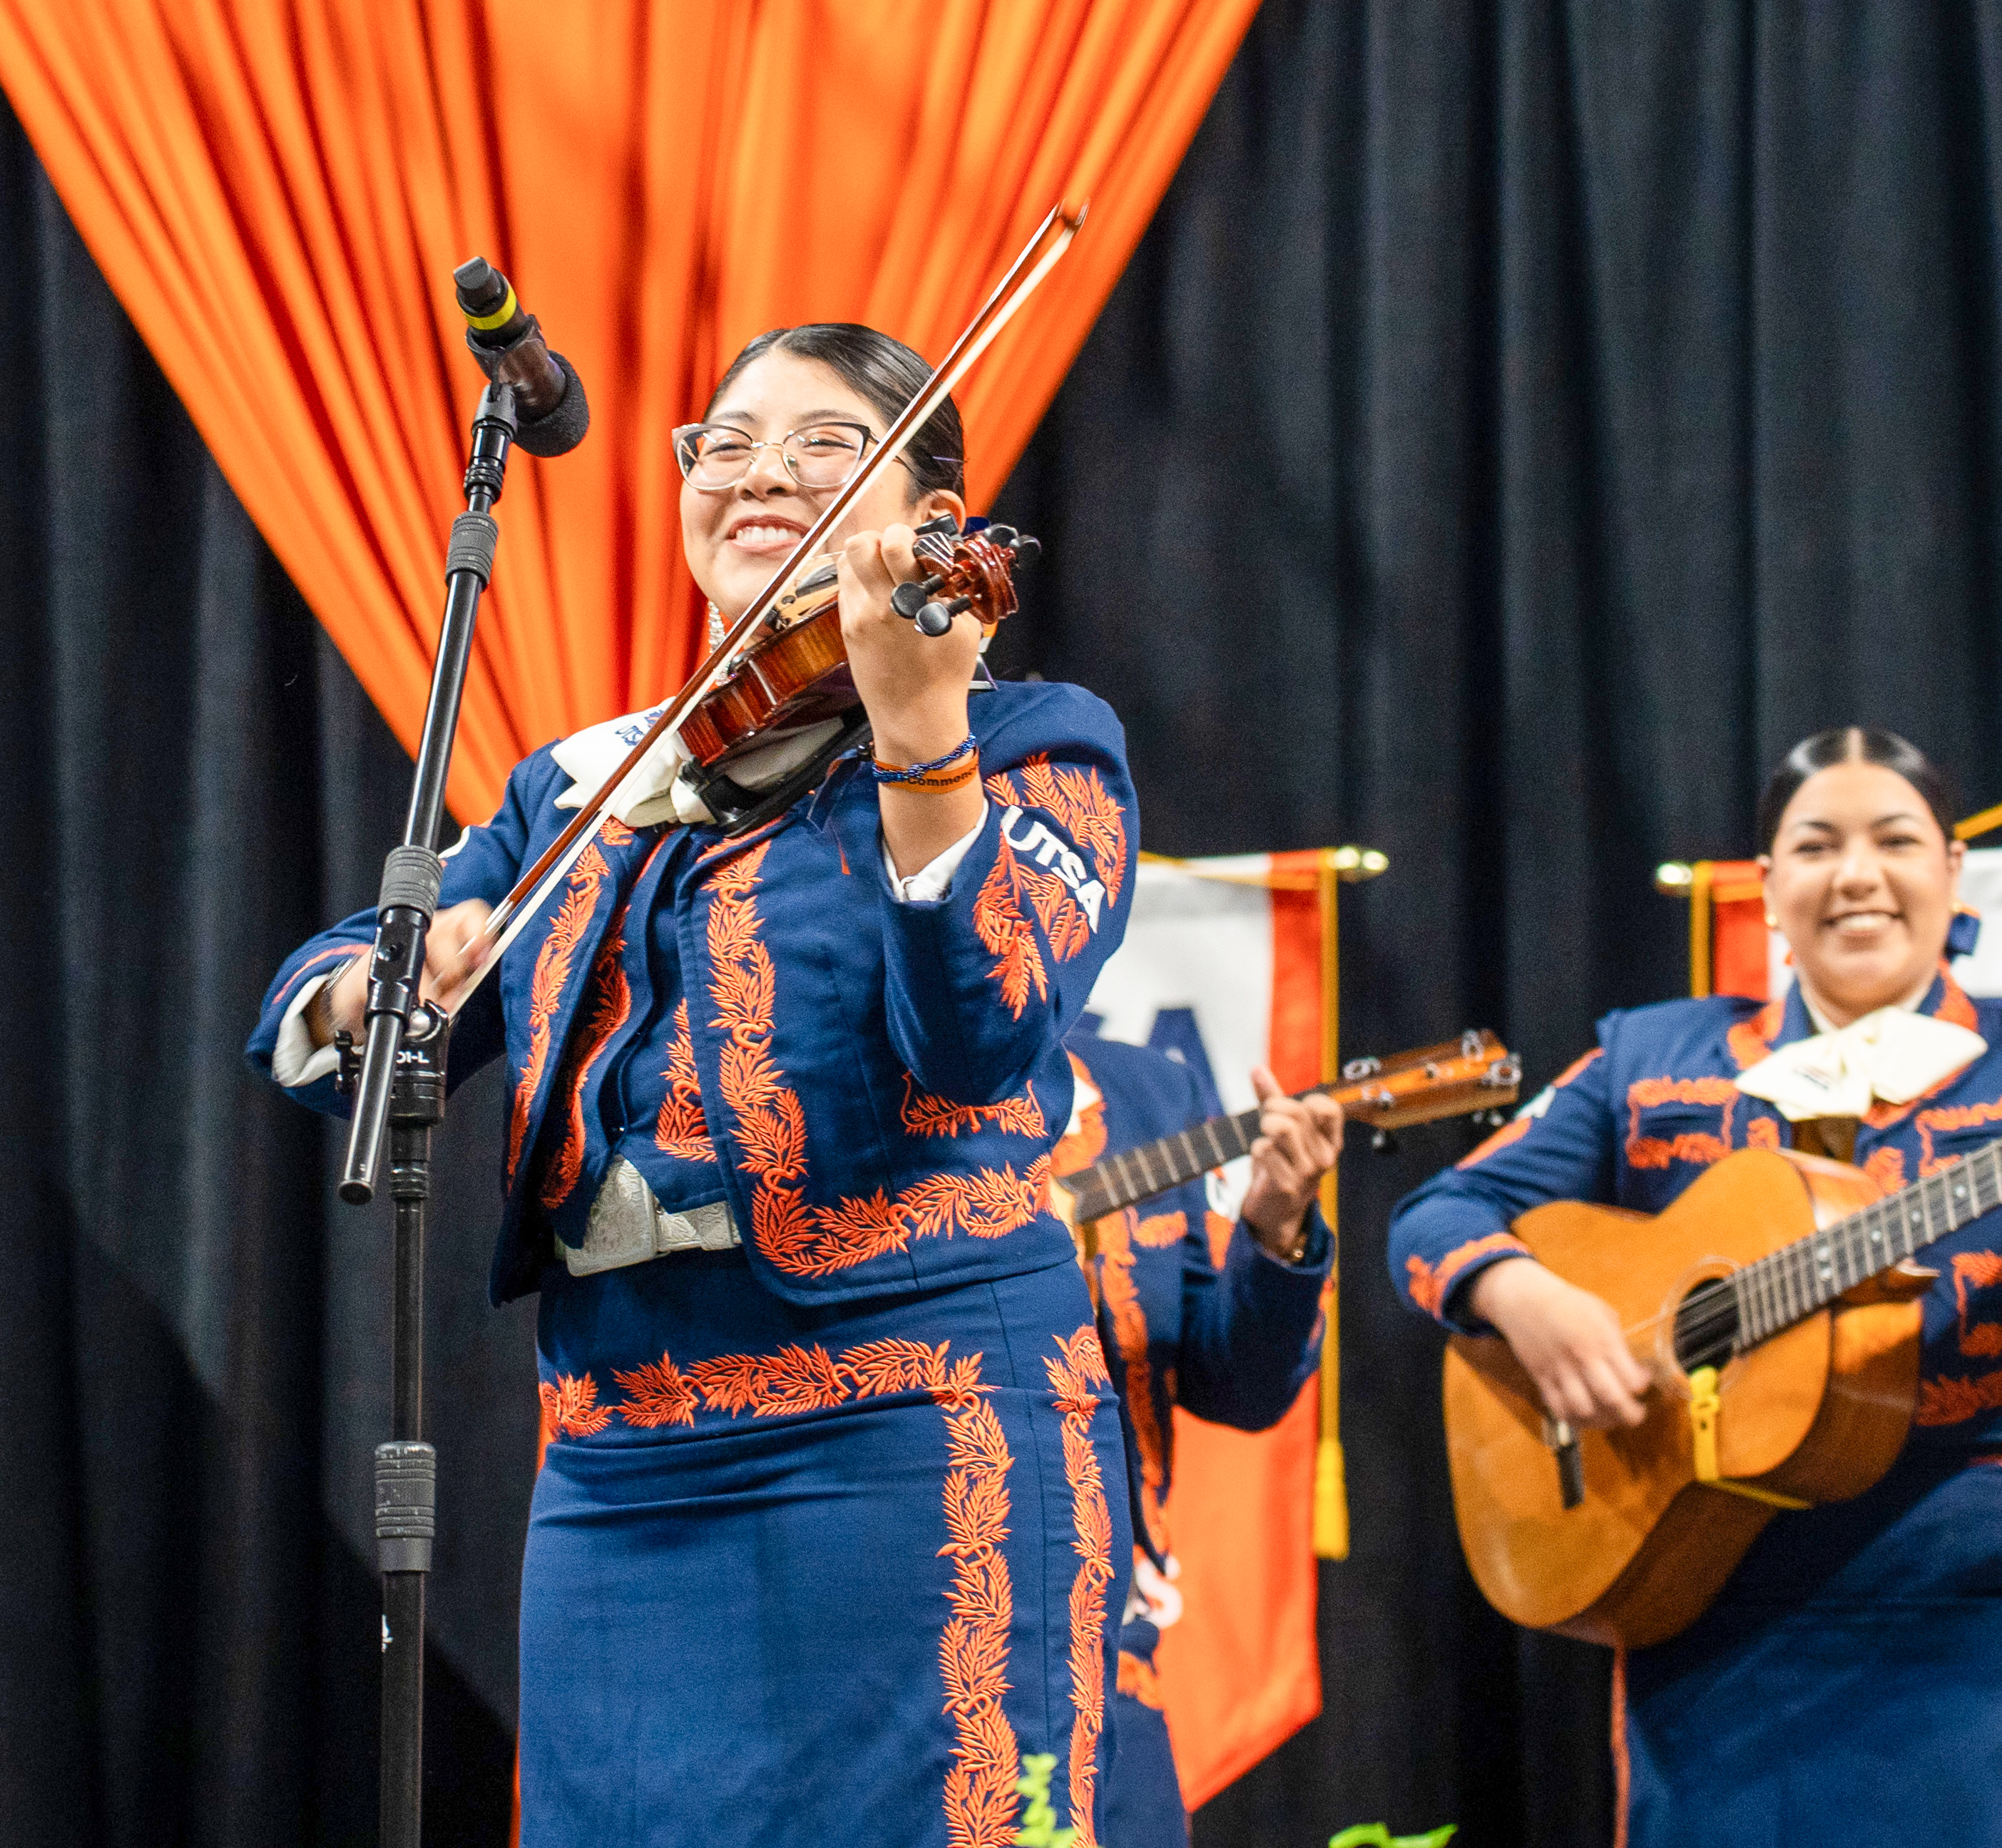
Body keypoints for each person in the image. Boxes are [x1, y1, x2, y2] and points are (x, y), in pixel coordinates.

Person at [249, 325, 1140, 1845]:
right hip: (617, 1462)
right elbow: (331, 994)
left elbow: (985, 1026)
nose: (758, 473)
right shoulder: (583, 779)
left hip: (911, 1428)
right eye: (723, 444)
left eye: (821, 442)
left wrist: (921, 738)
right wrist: (380, 981)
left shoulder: (1029, 742)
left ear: (934, 512)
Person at [1390, 726, 2002, 1848]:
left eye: (1895, 839)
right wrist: (1525, 1296)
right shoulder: (1651, 1057)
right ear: (1767, 886)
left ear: (1952, 870)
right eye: (1816, 844)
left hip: (1980, 1587)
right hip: (1706, 1580)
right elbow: (1433, 1218)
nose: (1856, 874)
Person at [1055, 1026, 1343, 1847]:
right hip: (894, 1646)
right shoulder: (835, 1079)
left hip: (1114, 1660)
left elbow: (1241, 1388)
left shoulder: (1152, 1094)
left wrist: (1277, 1224)